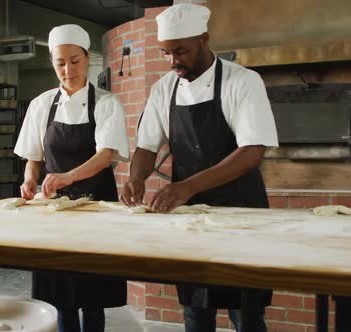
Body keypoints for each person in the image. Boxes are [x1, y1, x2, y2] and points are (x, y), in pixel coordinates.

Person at [120, 4, 278, 332]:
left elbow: (252, 151)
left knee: (246, 315)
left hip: (242, 214)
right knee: (195, 312)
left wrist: (187, 186)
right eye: (166, 53)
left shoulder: (244, 81)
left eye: (181, 51)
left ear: (204, 40)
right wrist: (136, 176)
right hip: (191, 220)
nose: (173, 61)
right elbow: (147, 146)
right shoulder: (164, 88)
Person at [14, 24, 129, 332]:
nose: (68, 69)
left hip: (97, 210)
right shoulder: (41, 105)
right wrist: (29, 180)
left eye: (75, 61)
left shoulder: (106, 103)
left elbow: (106, 156)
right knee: (61, 297)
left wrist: (66, 178)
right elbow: (33, 158)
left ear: (87, 58)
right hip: (55, 216)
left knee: (93, 297)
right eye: (60, 62)